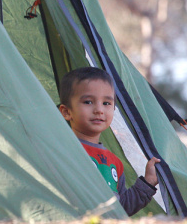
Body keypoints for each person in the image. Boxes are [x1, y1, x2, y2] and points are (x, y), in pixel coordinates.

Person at [58, 67, 160, 216]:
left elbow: (122, 208)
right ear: (67, 112)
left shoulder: (115, 163)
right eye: (88, 102)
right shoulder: (62, 150)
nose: (99, 110)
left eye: (106, 103)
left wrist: (148, 182)